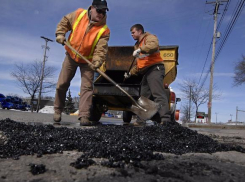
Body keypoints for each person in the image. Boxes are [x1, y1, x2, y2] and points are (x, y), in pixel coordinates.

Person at [53, 0, 110, 126]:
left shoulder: (104, 30)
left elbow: (101, 49)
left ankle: (84, 115)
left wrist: (97, 62)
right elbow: (65, 22)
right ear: (92, 8)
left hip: (88, 62)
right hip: (71, 56)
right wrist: (60, 34)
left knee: (87, 88)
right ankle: (57, 110)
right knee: (62, 84)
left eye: (104, 12)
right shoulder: (78, 14)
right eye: (99, 10)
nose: (101, 14)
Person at [124, 24, 171, 126]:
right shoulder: (137, 45)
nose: (132, 35)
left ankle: (166, 120)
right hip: (146, 71)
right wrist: (130, 73)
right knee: (144, 97)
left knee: (158, 93)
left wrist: (141, 49)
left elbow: (153, 46)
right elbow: (139, 64)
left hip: (155, 69)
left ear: (140, 31)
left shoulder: (149, 38)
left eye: (133, 32)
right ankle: (140, 121)